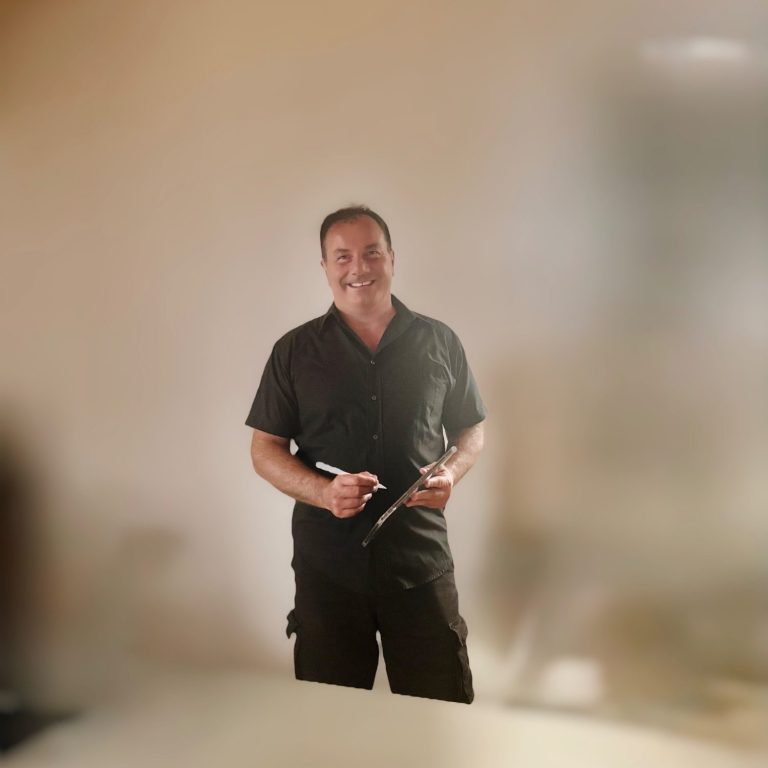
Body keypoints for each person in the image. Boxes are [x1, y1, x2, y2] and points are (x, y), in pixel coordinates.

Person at [246, 205, 486, 703]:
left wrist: (453, 473)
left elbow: (471, 430)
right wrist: (323, 492)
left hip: (420, 565)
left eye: (372, 253)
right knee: (330, 720)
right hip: (328, 572)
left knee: (438, 712)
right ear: (325, 267)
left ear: (392, 258)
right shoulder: (293, 351)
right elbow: (265, 450)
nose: (359, 267)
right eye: (343, 256)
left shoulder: (440, 341)